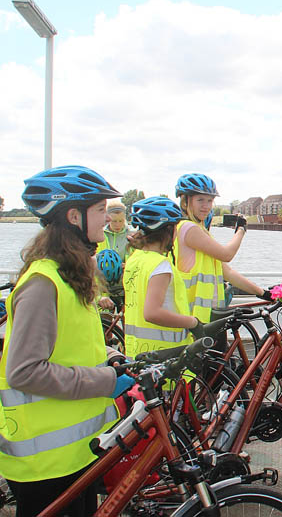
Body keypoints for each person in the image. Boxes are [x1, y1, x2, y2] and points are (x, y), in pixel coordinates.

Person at [0, 165, 134, 517]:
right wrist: (105, 381)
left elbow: (72, 343)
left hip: (73, 454)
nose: (108, 218)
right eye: (101, 210)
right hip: (44, 463)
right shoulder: (43, 283)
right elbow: (25, 372)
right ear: (74, 216)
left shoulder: (69, 273)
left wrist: (110, 357)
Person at [172, 173, 269, 324]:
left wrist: (263, 293)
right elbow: (226, 254)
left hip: (205, 314)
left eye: (210, 200)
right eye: (200, 200)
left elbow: (227, 272)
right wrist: (241, 230)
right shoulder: (188, 228)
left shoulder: (199, 230)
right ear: (185, 200)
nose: (206, 206)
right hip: (193, 315)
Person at [123, 197, 200, 358]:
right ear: (168, 231)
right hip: (164, 354)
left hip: (136, 348)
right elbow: (152, 313)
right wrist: (193, 323)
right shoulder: (160, 266)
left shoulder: (135, 259)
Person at [95, 199, 132, 311]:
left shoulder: (132, 236)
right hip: (104, 287)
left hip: (125, 288)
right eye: (114, 221)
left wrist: (129, 265)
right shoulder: (98, 235)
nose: (118, 224)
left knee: (126, 323)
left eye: (121, 221)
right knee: (106, 323)